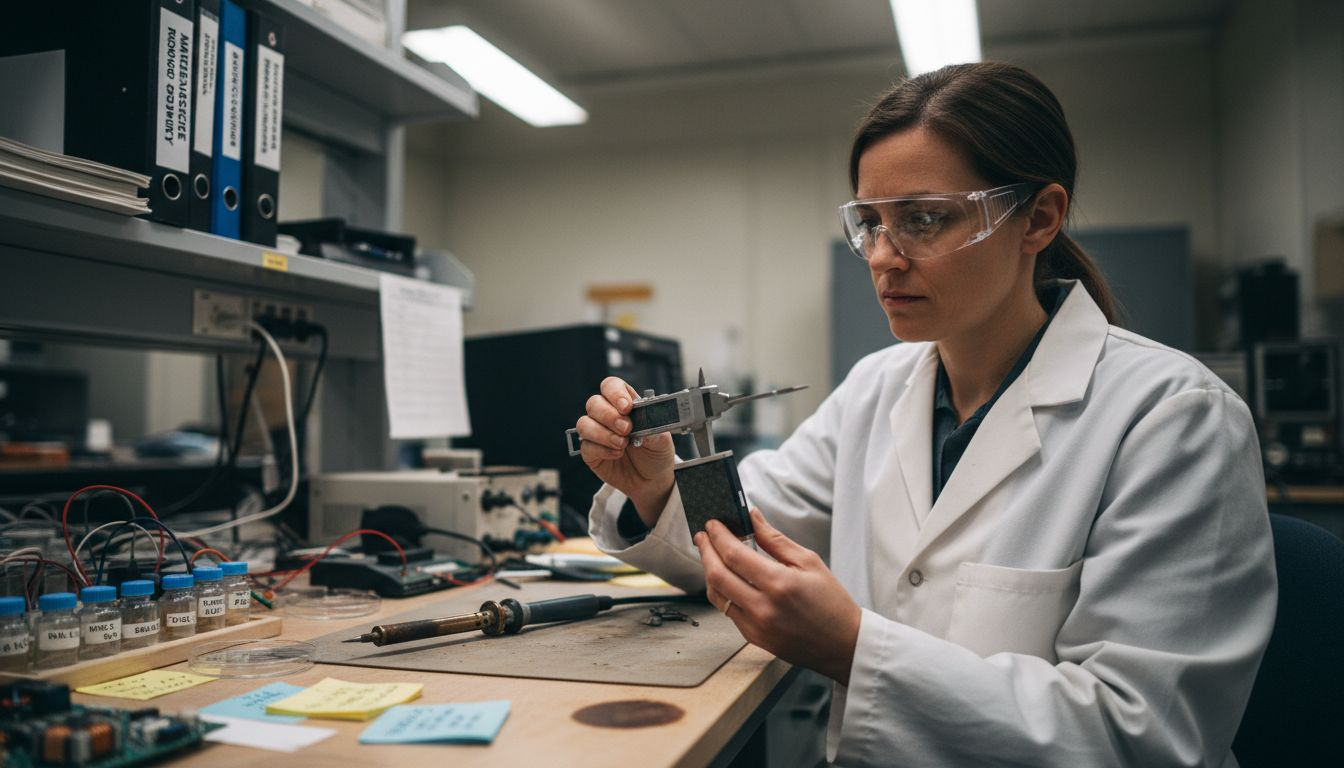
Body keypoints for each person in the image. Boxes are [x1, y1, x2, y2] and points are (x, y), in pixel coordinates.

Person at [573, 62, 1276, 766]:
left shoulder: (1175, 418)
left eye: (925, 219)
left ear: (1039, 218)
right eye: (871, 224)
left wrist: (852, 647)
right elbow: (743, 543)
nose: (884, 257)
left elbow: (1147, 738)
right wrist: (658, 487)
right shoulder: (875, 391)